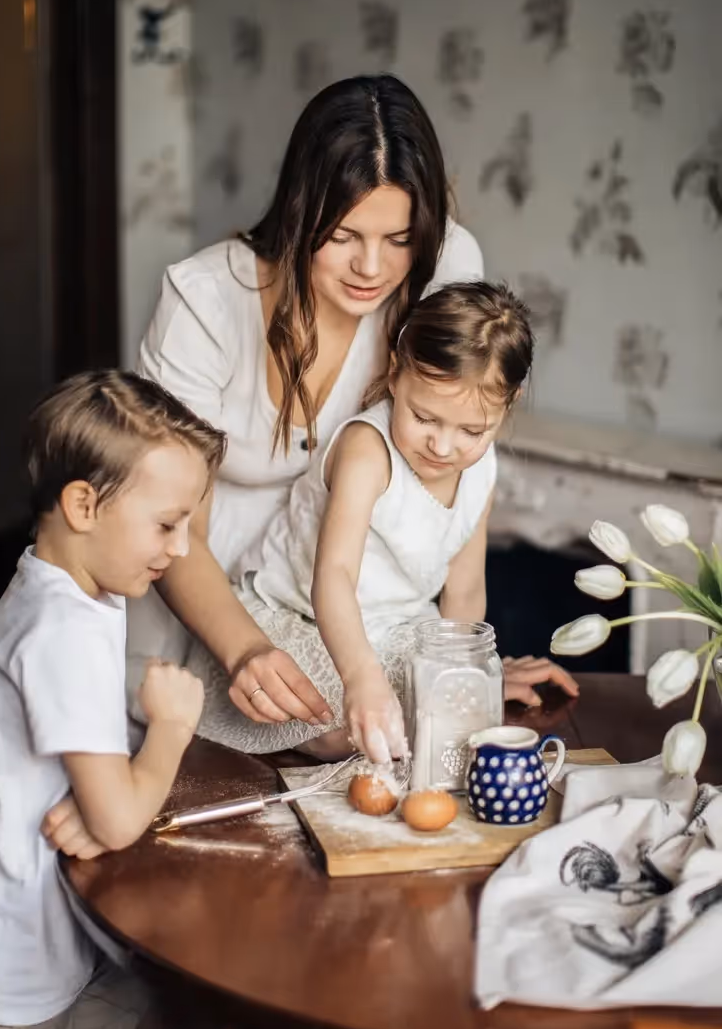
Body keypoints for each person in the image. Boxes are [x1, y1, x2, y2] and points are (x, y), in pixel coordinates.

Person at [125, 73, 576, 736]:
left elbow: (450, 447)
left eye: (398, 240)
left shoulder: (441, 263)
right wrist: (246, 647)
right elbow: (167, 522)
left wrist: (454, 671)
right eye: (343, 236)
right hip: (198, 606)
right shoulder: (204, 302)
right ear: (301, 212)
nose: (373, 267)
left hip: (353, 629)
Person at [0, 370, 221, 1029]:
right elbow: (119, 820)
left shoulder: (68, 587)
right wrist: (171, 729)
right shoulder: (60, 630)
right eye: (166, 524)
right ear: (83, 506)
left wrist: (107, 788)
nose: (182, 549)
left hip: (28, 953)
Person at [192, 282, 579, 762]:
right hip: (304, 618)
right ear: (396, 375)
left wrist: (465, 675)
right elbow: (332, 579)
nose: (442, 446)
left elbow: (463, 588)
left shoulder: (483, 467)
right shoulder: (367, 451)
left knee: (451, 710)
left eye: (471, 431)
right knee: (353, 722)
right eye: (424, 417)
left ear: (509, 403)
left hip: (398, 628)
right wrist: (361, 680)